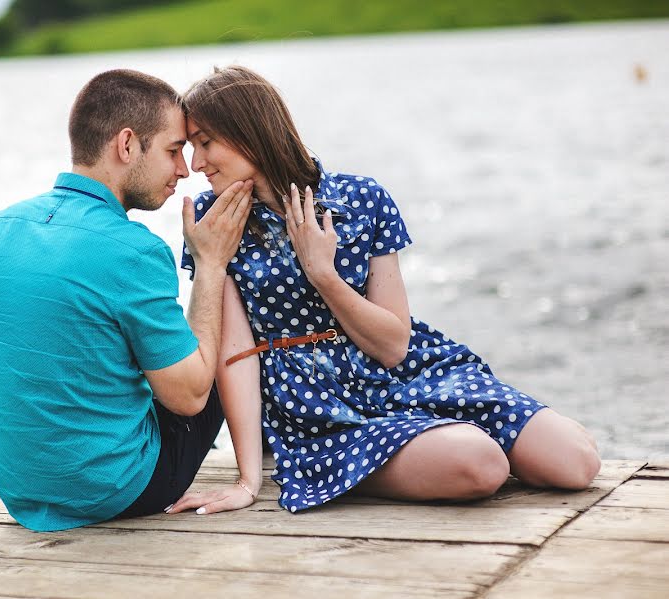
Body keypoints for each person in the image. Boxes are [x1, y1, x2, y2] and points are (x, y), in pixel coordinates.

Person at [166, 66, 601, 516]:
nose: (196, 163)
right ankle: (365, 461)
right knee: (482, 464)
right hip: (317, 405)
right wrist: (247, 480)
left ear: (249, 132)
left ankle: (436, 439)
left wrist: (325, 277)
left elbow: (394, 346)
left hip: (407, 373)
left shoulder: (363, 199)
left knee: (575, 463)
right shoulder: (211, 220)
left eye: (205, 142)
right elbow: (237, 353)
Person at [0, 69, 255, 531]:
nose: (184, 170)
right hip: (118, 491)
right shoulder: (135, 250)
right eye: (172, 150)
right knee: (222, 330)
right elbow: (190, 397)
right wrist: (212, 264)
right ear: (126, 145)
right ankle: (259, 474)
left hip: (18, 491)